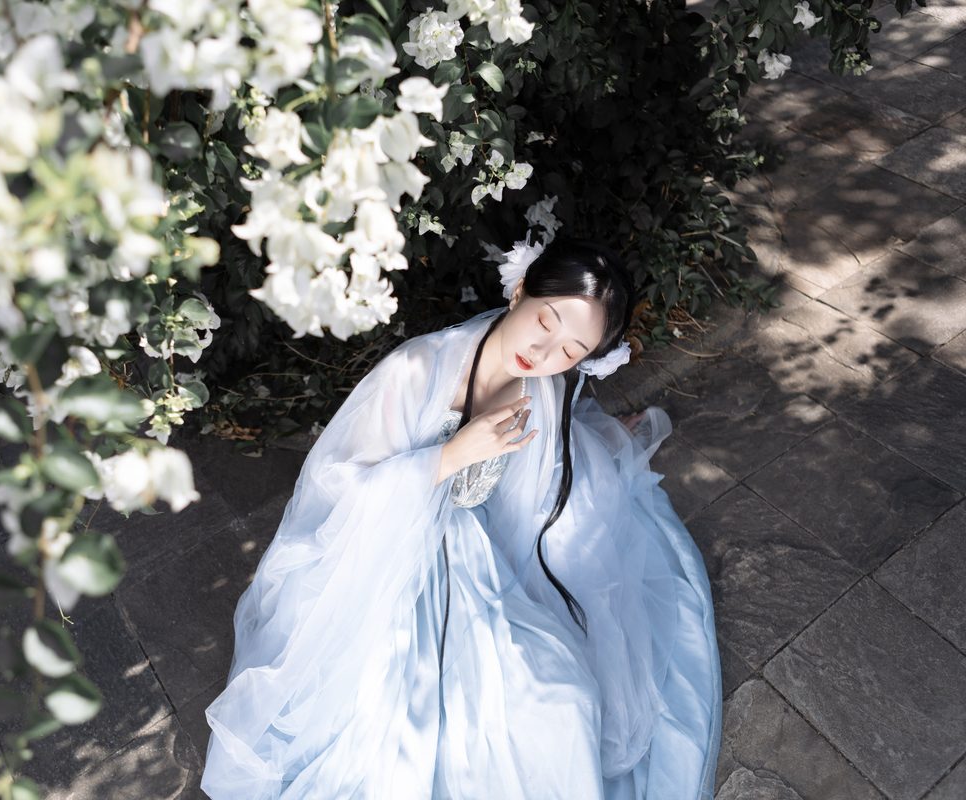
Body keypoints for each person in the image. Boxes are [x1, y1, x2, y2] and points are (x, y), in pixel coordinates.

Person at [201, 234, 722, 799]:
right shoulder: (417, 370)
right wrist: (449, 456)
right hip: (381, 563)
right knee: (401, 739)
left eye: (571, 351)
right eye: (544, 321)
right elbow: (340, 491)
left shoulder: (542, 389)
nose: (545, 353)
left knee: (562, 701)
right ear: (520, 291)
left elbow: (531, 502)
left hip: (473, 557)